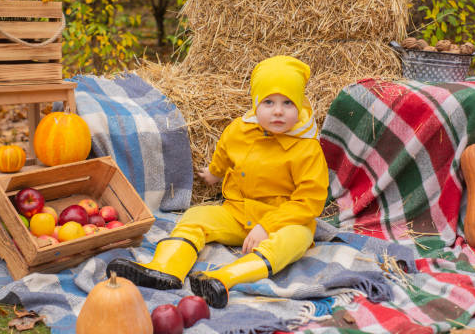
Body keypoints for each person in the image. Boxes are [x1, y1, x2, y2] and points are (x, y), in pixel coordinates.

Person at [106, 55, 329, 308]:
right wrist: (214, 173)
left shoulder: (307, 148)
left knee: (296, 239)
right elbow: (224, 152)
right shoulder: (239, 130)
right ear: (256, 104)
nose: (278, 110)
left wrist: (267, 227)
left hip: (282, 221)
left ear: (299, 106)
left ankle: (221, 279)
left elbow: (309, 201)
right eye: (269, 102)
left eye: (288, 103)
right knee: (196, 217)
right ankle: (165, 269)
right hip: (237, 214)